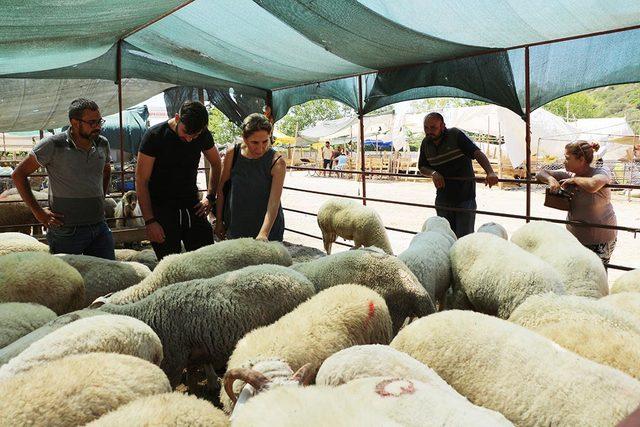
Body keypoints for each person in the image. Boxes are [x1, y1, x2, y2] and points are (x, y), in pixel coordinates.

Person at [12, 98, 115, 259]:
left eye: (99, 121)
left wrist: (101, 196)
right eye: (92, 122)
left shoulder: (102, 143)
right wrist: (38, 213)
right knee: (66, 281)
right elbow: (18, 174)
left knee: (107, 275)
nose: (98, 126)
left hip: (99, 226)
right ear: (74, 122)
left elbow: (106, 170)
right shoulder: (52, 145)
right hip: (66, 231)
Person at [136, 100, 222, 260]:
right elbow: (141, 180)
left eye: (194, 135)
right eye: (186, 132)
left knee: (207, 261)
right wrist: (150, 221)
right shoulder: (154, 136)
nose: (189, 139)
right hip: (162, 211)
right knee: (170, 267)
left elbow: (217, 164)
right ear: (177, 118)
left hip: (193, 207)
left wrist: (210, 198)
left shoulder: (203, 135)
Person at [418, 112, 498, 238]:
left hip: (464, 197)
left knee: (463, 238)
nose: (429, 131)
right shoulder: (425, 143)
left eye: (433, 127)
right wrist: (433, 173)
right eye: (426, 128)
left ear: (443, 126)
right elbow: (422, 167)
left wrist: (490, 172)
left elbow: (476, 153)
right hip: (442, 198)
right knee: (444, 236)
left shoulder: (455, 135)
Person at [536, 141, 617, 264]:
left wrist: (574, 180)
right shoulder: (569, 173)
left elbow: (593, 185)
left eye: (567, 158)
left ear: (581, 159)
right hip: (575, 238)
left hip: (600, 239)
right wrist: (550, 179)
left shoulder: (601, 172)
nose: (564, 161)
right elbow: (539, 173)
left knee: (595, 277)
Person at [214, 113, 286, 241]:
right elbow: (222, 189)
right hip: (236, 228)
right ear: (244, 138)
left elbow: (274, 202)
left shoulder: (277, 162)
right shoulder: (232, 153)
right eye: (254, 142)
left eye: (265, 141)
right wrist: (219, 221)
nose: (260, 148)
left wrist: (263, 234)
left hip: (267, 231)